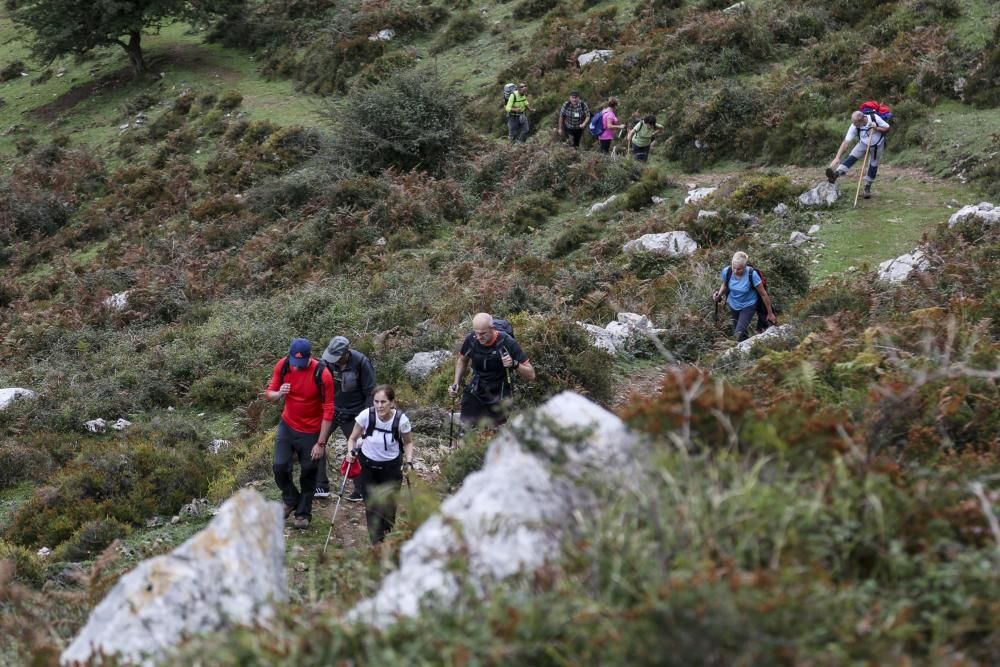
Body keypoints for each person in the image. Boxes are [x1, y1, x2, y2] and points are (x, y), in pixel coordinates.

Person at [264, 338, 334, 529]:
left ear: (310, 358)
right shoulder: (284, 365)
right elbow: (269, 393)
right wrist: (279, 393)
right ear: (290, 356)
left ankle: (303, 513)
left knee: (309, 472)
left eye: (301, 364)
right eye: (295, 363)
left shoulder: (322, 373)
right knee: (279, 467)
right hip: (288, 425)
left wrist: (321, 443)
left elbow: (329, 410)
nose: (297, 367)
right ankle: (290, 499)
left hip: (312, 430)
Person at [344, 385, 413, 545]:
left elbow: (408, 442)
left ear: (392, 402)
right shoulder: (365, 416)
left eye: (383, 402)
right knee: (372, 506)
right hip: (368, 466)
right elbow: (353, 438)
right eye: (376, 401)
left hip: (392, 468)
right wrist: (350, 452)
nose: (379, 406)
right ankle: (377, 544)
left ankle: (388, 536)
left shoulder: (401, 420)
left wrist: (409, 461)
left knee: (389, 508)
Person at [314, 335, 376, 502]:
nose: (334, 360)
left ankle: (361, 489)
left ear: (346, 353)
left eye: (338, 357)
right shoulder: (326, 363)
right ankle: (320, 484)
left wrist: (365, 418)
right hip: (332, 411)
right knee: (317, 441)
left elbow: (370, 392)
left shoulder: (361, 362)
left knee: (358, 448)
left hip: (354, 414)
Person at [449, 313, 535, 427]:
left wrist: (514, 364)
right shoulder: (471, 339)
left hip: (499, 393)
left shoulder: (507, 342)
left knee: (493, 433)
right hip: (476, 388)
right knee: (466, 427)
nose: (479, 337)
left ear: (493, 329)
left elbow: (531, 375)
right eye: (476, 333)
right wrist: (456, 383)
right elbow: (462, 360)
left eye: (483, 333)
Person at [713, 252, 777, 342]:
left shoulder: (752, 274)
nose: (735, 271)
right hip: (733, 304)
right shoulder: (727, 271)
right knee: (742, 335)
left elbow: (763, 294)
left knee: (738, 334)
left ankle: (742, 348)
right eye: (733, 267)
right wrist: (719, 294)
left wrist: (770, 313)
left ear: (745, 266)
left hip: (748, 305)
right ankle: (747, 351)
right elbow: (725, 285)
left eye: (739, 269)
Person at [826, 110, 890, 199]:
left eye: (855, 122)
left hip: (877, 145)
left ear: (862, 119)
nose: (853, 124)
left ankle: (867, 187)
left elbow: (887, 128)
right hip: (863, 143)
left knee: (873, 165)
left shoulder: (874, 118)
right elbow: (846, 142)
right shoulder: (854, 126)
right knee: (852, 157)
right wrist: (837, 157)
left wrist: (877, 128)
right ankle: (836, 174)